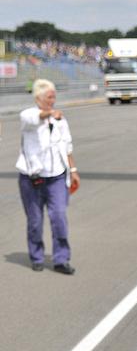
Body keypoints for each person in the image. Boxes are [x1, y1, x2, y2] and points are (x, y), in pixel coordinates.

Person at [16, 78, 80, 274]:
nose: (53, 101)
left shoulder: (60, 120)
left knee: (59, 217)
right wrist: (48, 114)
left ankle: (61, 259)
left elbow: (67, 145)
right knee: (35, 220)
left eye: (54, 97)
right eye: (49, 97)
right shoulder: (29, 116)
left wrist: (73, 170)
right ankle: (36, 256)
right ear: (39, 98)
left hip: (57, 177)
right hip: (32, 178)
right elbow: (33, 118)